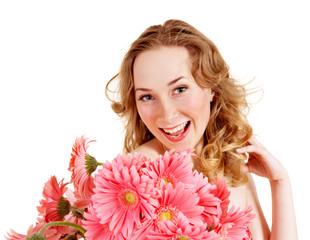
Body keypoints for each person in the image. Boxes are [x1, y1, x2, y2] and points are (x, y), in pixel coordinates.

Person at [105, 19, 297, 239]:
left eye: (180, 89)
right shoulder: (136, 179)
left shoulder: (230, 165)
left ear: (212, 88)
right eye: (147, 97)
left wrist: (280, 181)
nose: (167, 115)